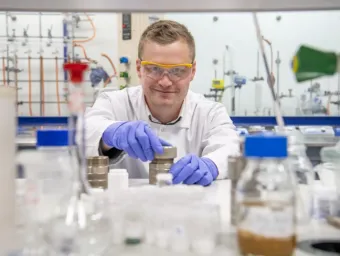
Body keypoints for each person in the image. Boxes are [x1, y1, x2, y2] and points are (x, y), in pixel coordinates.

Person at [85, 20, 240, 186]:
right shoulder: (114, 102)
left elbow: (230, 148)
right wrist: (110, 134)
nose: (165, 82)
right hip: (126, 208)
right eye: (154, 69)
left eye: (178, 70)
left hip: (190, 207)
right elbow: (85, 132)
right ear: (139, 68)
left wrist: (211, 165)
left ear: (192, 71)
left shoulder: (210, 113)